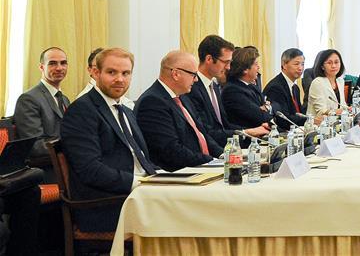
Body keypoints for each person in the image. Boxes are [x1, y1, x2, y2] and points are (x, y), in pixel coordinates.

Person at [60, 48, 156, 233]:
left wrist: (164, 178)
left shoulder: (125, 110)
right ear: (96, 72)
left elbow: (140, 158)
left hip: (139, 194)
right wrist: (139, 183)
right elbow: (90, 170)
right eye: (112, 72)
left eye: (125, 73)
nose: (120, 79)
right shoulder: (82, 110)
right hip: (107, 205)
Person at [135, 51, 222, 172]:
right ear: (176, 74)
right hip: (179, 174)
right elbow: (170, 150)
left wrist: (223, 156)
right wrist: (211, 161)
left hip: (200, 167)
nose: (196, 80)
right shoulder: (152, 102)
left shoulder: (183, 97)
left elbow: (202, 133)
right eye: (193, 74)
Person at [186, 35, 267, 146]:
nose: (228, 67)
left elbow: (224, 125)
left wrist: (251, 132)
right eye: (225, 62)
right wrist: (246, 132)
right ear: (209, 59)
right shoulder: (191, 89)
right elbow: (207, 132)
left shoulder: (214, 86)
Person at [14, 47, 71, 164]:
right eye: (52, 63)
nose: (59, 68)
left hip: (66, 163)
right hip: (45, 168)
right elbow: (35, 146)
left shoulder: (64, 99)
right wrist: (74, 148)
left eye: (63, 63)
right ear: (41, 67)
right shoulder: (28, 99)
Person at [221, 47, 274, 128]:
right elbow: (261, 117)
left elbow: (273, 105)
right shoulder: (232, 91)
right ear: (245, 69)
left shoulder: (250, 86)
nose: (258, 67)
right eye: (256, 64)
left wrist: (267, 107)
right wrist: (263, 110)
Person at [263, 48, 308, 129]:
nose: (300, 68)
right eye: (296, 64)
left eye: (302, 64)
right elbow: (283, 119)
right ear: (284, 65)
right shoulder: (276, 87)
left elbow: (298, 113)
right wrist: (308, 120)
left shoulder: (295, 88)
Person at [307, 49, 348, 118]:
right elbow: (320, 111)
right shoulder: (317, 82)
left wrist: (348, 109)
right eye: (329, 63)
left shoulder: (340, 81)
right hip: (318, 124)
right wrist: (336, 112)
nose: (334, 66)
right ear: (322, 66)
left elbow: (342, 105)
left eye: (336, 62)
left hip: (336, 122)